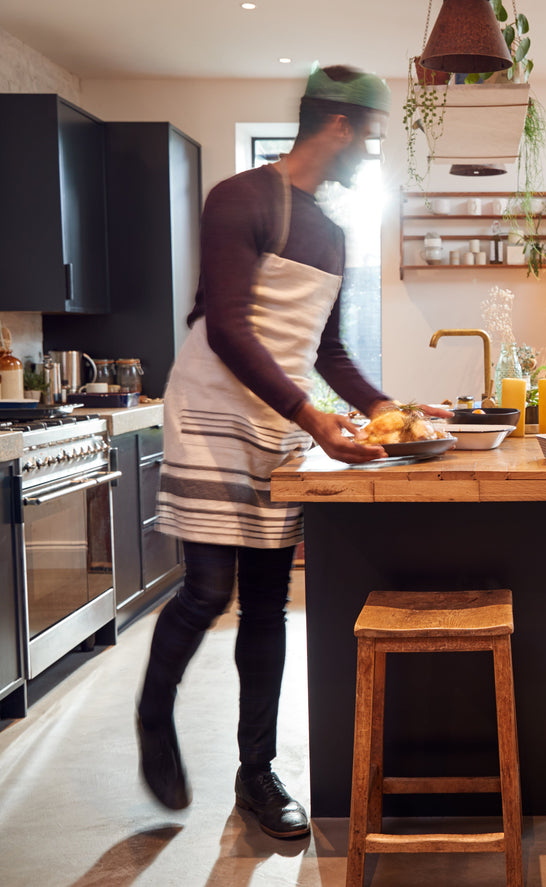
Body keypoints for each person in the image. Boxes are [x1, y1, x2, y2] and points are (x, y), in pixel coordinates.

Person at [138, 65, 447, 839]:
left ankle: (256, 773)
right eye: (370, 136)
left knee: (269, 603)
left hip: (275, 422)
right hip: (212, 413)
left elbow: (328, 348)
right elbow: (228, 328)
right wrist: (315, 420)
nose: (371, 152)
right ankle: (153, 715)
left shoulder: (334, 234)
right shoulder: (239, 198)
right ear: (337, 125)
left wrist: (389, 409)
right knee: (209, 592)